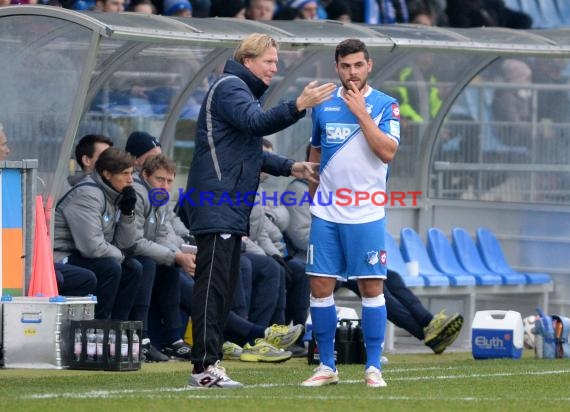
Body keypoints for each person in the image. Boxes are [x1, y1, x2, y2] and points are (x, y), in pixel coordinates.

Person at [178, 32, 335, 388]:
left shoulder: (238, 91)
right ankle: (203, 366)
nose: (274, 69)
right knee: (212, 288)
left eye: (276, 63)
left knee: (222, 288)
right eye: (269, 62)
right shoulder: (231, 87)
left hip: (229, 206)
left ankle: (210, 363)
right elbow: (256, 125)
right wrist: (299, 105)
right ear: (248, 59)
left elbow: (250, 150)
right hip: (218, 203)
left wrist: (290, 166)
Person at [301, 38, 399, 388]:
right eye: (345, 66)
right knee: (320, 284)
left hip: (367, 213)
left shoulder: (386, 105)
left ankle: (374, 367)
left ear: (369, 65)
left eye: (358, 65)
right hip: (327, 213)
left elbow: (387, 151)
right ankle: (327, 365)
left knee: (371, 287)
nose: (352, 72)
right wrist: (315, 199)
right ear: (337, 67)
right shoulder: (323, 104)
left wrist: (360, 112)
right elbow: (314, 153)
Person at [53, 147, 142, 320]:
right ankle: (97, 326)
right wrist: (122, 256)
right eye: (125, 173)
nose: (131, 180)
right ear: (107, 174)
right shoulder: (88, 194)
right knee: (111, 268)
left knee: (135, 268)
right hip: (61, 254)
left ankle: (117, 328)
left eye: (131, 173)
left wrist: (128, 213)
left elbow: (125, 245)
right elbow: (92, 247)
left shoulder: (114, 195)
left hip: (83, 254)